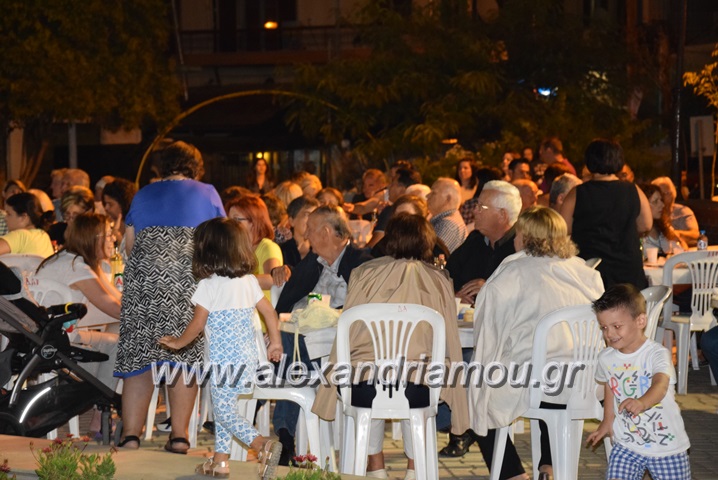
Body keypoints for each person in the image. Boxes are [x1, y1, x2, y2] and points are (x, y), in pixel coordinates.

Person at [312, 213, 470, 480]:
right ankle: (415, 469)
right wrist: (456, 394)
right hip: (419, 385)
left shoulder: (363, 273)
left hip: (364, 384)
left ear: (390, 240)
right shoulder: (439, 280)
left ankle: (376, 469)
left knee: (366, 372)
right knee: (417, 377)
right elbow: (450, 340)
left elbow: (347, 333)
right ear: (427, 242)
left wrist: (331, 383)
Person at [469, 206, 604, 480]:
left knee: (474, 392)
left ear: (525, 237)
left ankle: (513, 475)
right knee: (550, 370)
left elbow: (488, 336)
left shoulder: (511, 274)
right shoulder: (586, 273)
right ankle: (549, 468)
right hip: (586, 380)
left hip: (537, 384)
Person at [114, 141, 225, 453]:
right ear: (195, 166)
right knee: (183, 358)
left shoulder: (143, 193)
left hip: (145, 284)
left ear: (162, 166)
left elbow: (130, 246)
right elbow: (221, 242)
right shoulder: (208, 193)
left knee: (140, 358)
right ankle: (179, 437)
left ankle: (131, 436)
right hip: (188, 284)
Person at [158, 217, 283, 479]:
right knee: (227, 409)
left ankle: (262, 445)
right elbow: (270, 313)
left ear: (207, 252)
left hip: (223, 363)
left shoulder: (208, 285)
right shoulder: (249, 281)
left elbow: (197, 324)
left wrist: (178, 343)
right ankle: (220, 462)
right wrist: (276, 342)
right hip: (247, 360)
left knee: (224, 413)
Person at [271, 205, 373, 464]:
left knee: (287, 353)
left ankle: (282, 432)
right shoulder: (312, 263)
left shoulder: (361, 263)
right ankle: (284, 436)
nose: (306, 236)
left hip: (339, 350)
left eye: (310, 230)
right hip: (305, 343)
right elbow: (287, 301)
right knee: (290, 352)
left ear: (326, 232)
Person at [587, 284, 691, 480]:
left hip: (666, 445)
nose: (609, 334)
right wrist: (607, 420)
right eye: (604, 327)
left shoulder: (656, 354)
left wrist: (642, 402)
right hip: (627, 444)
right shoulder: (606, 358)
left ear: (640, 321)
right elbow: (610, 384)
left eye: (617, 326)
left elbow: (660, 384)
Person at [34, 214, 121, 387]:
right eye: (108, 235)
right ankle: (102, 400)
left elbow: (116, 299)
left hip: (44, 338)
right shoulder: (77, 268)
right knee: (120, 344)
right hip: (58, 345)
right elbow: (115, 308)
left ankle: (99, 395)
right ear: (93, 238)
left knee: (117, 328)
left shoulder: (69, 258)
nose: (113, 239)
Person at [560, 139, 651, 289]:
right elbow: (645, 225)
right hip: (627, 269)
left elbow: (562, 228)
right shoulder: (633, 190)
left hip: (591, 269)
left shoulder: (577, 193)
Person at [447, 181, 520, 305]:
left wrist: (491, 290)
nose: (474, 211)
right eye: (476, 205)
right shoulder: (475, 240)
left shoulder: (520, 247)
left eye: (481, 207)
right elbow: (448, 275)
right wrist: (456, 295)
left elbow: (524, 294)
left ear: (502, 215)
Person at [225, 195, 282, 299]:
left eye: (236, 220)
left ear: (253, 221)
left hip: (263, 308)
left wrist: (237, 280)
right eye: (229, 220)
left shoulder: (268, 247)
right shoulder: (235, 248)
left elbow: (273, 280)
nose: (230, 225)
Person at [651, 176, 700, 247]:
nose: (661, 198)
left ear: (673, 194)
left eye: (664, 194)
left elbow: (695, 234)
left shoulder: (683, 212)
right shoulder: (652, 214)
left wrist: (676, 234)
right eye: (656, 199)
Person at [0, 192, 54, 257]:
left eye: (9, 214)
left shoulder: (21, 235)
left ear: (24, 217)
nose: (5, 218)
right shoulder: (43, 235)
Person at [640, 184, 687, 255]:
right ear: (643, 205)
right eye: (655, 201)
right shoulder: (636, 234)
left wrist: (681, 245)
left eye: (661, 200)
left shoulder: (664, 228)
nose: (662, 205)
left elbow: (680, 246)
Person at [427, 178, 467, 253]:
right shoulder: (445, 221)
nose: (427, 196)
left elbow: (431, 255)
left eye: (433, 193)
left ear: (447, 199)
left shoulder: (448, 225)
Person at [280, 196, 319, 267]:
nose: (311, 219)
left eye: (315, 215)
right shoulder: (282, 251)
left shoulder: (322, 252)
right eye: (307, 215)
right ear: (291, 221)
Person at [102, 178, 138, 256]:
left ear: (123, 204)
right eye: (105, 204)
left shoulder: (137, 228)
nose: (106, 208)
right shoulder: (105, 227)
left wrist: (119, 239)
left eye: (110, 204)